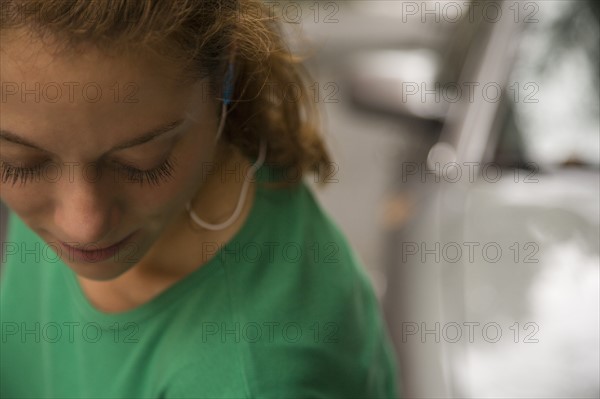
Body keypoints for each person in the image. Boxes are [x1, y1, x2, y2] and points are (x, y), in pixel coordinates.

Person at [0, 0, 399, 397]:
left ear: (223, 78)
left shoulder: (253, 376)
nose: (82, 225)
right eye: (21, 163)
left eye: (141, 162)